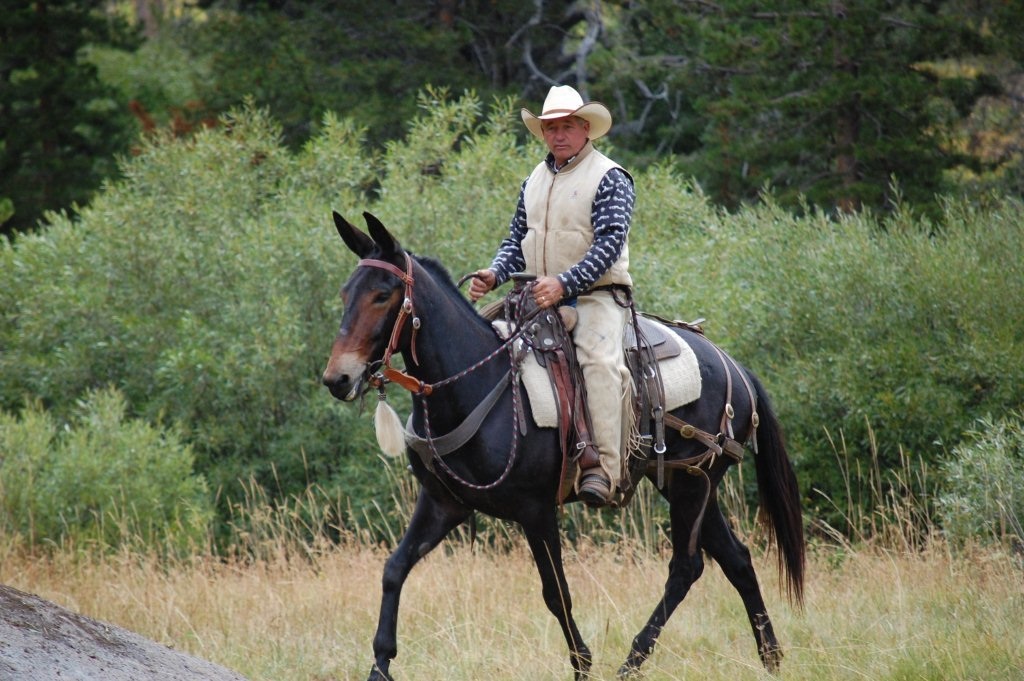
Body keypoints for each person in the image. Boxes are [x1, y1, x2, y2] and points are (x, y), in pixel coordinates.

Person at [469, 84, 636, 507]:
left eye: (567, 126)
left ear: (586, 129)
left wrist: (564, 282)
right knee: (485, 345)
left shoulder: (610, 176)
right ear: (543, 133)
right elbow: (515, 240)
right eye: (551, 128)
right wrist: (494, 272)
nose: (558, 134)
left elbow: (609, 244)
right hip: (538, 295)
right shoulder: (533, 181)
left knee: (599, 363)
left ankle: (604, 471)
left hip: (597, 297)